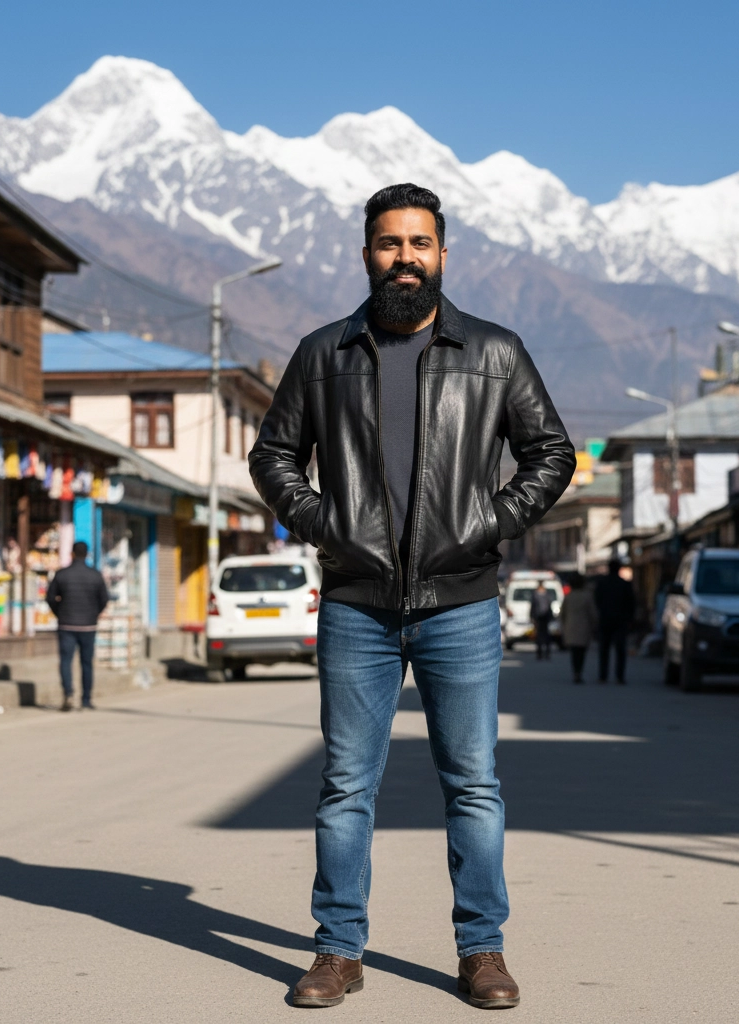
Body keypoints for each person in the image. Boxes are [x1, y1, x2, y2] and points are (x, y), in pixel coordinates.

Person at [250, 183, 575, 1010]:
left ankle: (481, 950)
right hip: (356, 604)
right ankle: (337, 952)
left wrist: (486, 524)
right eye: (389, 244)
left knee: (472, 783)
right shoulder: (322, 353)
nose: (405, 258)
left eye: (419, 244)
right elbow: (273, 455)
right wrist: (327, 525)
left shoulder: (495, 352)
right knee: (346, 786)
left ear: (441, 253)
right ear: (367, 255)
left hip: (459, 603)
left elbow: (551, 453)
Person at [46, 541, 109, 712]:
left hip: (66, 625)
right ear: (86, 554)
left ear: (72, 554)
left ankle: (68, 694)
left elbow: (50, 598)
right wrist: (93, 613)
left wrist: (60, 613)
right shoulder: (95, 575)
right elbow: (104, 599)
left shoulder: (61, 575)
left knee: (66, 661)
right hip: (88, 626)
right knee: (87, 663)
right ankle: (86, 699)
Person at [594, 559, 635, 684]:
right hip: (620, 620)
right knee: (620, 649)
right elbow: (631, 603)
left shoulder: (602, 583)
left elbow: (597, 600)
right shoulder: (624, 584)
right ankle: (620, 676)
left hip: (606, 619)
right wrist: (629, 618)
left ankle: (603, 675)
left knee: (604, 649)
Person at [559, 573, 598, 683]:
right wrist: (594, 624)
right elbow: (593, 613)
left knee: (574, 652)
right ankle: (579, 672)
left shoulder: (568, 596)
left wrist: (563, 626)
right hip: (584, 627)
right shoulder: (587, 596)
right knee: (581, 651)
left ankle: (576, 672)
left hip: (570, 626)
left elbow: (562, 614)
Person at [529, 581, 555, 660]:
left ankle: (539, 654)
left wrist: (531, 616)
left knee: (539, 636)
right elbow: (550, 607)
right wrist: (551, 617)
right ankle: (547, 653)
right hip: (545, 617)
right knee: (546, 635)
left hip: (538, 617)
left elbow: (533, 607)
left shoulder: (535, 595)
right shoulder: (547, 595)